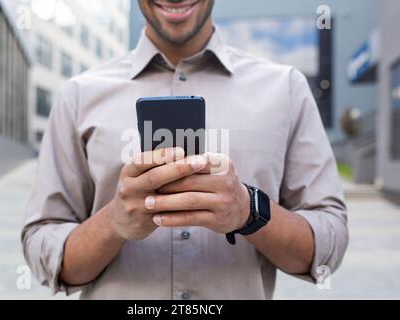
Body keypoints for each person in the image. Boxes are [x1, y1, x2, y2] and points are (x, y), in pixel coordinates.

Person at [22, 0, 348, 299]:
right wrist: (113, 223)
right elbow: (43, 251)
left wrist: (249, 210)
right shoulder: (78, 97)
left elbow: (327, 246)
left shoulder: (285, 89)